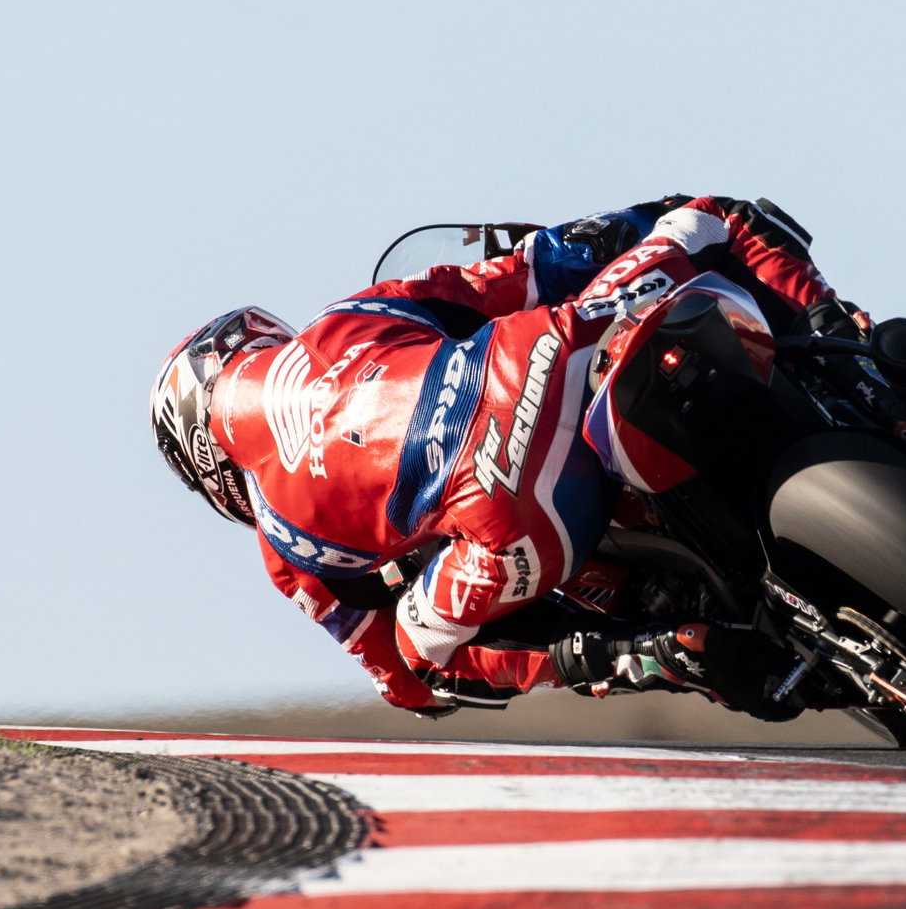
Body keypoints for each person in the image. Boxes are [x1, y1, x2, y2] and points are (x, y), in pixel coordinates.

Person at [152, 196, 837, 720]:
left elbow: (404, 681)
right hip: (549, 354)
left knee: (428, 652)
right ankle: (847, 337)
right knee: (709, 217)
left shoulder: (282, 542)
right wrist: (631, 225)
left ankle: (664, 652)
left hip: (516, 521)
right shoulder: (348, 315)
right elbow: (521, 271)